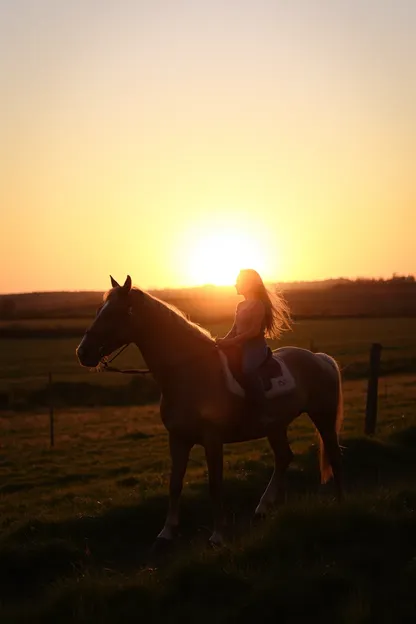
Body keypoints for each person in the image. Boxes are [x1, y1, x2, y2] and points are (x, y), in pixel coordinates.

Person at [216, 269, 291, 418]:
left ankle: (262, 410)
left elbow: (253, 332)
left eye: (239, 281)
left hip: (254, 347)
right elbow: (235, 329)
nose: (235, 284)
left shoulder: (258, 305)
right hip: (239, 345)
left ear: (248, 285)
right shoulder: (241, 305)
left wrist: (232, 342)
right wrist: (222, 342)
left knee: (248, 370)